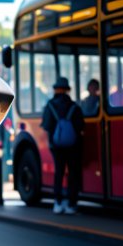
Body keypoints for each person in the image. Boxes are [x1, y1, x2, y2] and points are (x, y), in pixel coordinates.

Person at [41, 77, 84, 215]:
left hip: (56, 146)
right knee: (73, 172)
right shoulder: (74, 106)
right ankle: (72, 203)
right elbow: (80, 126)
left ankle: (58, 202)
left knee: (59, 172)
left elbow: (46, 125)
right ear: (67, 90)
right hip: (73, 145)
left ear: (56, 89)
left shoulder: (50, 106)